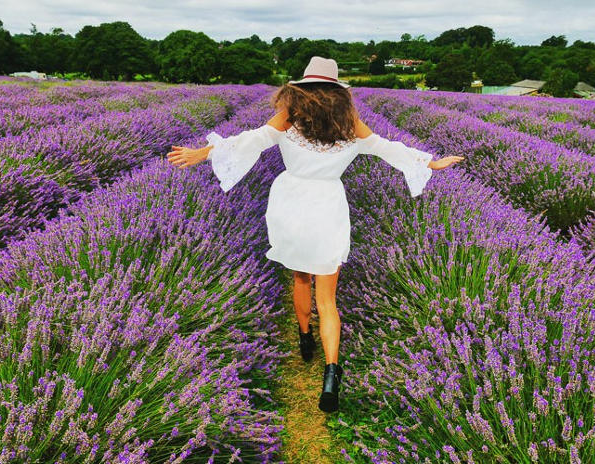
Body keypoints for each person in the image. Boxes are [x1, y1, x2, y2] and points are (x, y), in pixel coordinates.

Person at [167, 56, 464, 413]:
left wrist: (205, 152)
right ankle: (331, 375)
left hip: (290, 203)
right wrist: (429, 162)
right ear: (338, 92)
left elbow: (254, 140)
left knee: (300, 277)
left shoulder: (290, 116)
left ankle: (304, 338)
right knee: (328, 298)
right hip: (327, 205)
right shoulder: (350, 123)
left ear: (303, 87)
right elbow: (387, 148)